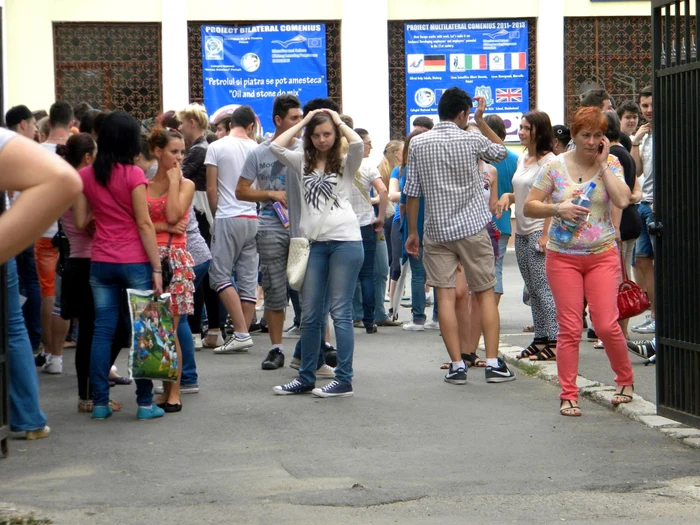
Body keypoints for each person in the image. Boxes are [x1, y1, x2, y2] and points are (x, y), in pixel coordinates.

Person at [524, 106, 634, 417]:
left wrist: (603, 165)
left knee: (605, 324)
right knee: (570, 327)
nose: (591, 141)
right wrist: (559, 209)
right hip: (563, 257)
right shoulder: (555, 167)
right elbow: (530, 206)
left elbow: (623, 199)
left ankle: (624, 380)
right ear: (573, 136)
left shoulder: (610, 162)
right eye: (585, 135)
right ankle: (568, 394)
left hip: (601, 255)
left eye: (598, 135)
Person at [404, 87, 516, 385]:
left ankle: (456, 365)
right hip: (472, 228)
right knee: (485, 293)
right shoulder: (471, 137)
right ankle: (493, 364)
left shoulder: (418, 143)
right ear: (463, 113)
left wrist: (413, 232)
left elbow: (411, 192)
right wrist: (481, 121)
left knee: (444, 295)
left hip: (436, 230)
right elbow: (502, 152)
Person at [73, 111, 165, 421]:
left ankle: (99, 402)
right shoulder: (134, 175)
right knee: (143, 331)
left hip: (100, 260)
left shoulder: (86, 175)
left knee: (102, 332)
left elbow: (82, 220)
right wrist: (156, 268)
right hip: (134, 261)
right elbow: (144, 223)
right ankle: (143, 403)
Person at [270, 108, 364, 398]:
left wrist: (336, 120)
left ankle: (344, 379)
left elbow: (358, 144)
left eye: (327, 134)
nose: (322, 139)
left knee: (340, 313)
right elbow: (276, 146)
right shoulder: (301, 162)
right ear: (309, 138)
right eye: (316, 135)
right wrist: (305, 120)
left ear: (335, 136)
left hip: (346, 242)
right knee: (310, 316)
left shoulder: (346, 163)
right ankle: (306, 377)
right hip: (314, 245)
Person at [0, 126, 83, 440]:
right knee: (18, 320)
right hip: (40, 241)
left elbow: (61, 182)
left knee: (41, 299)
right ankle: (30, 416)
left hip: (42, 242)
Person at [57, 133, 131, 412]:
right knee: (93, 332)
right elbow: (88, 224)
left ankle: (91, 389)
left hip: (89, 261)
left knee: (105, 330)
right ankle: (88, 394)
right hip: (87, 262)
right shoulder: (77, 186)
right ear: (88, 158)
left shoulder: (75, 183)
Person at [236, 94, 303, 370]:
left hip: (304, 228)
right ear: (278, 120)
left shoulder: (306, 149)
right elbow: (241, 190)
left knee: (310, 290)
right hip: (270, 226)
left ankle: (319, 348)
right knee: (275, 290)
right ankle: (276, 349)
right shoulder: (258, 152)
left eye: (301, 118)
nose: (300, 124)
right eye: (294, 119)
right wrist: (270, 194)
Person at [496, 111, 558, 361]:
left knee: (544, 289)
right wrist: (507, 197)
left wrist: (545, 235)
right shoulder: (524, 159)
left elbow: (553, 199)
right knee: (532, 289)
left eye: (525, 128)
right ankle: (540, 338)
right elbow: (520, 192)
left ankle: (555, 340)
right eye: (520, 127)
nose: (520, 132)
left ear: (539, 131)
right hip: (521, 231)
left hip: (537, 232)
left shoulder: (550, 161)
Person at [146, 128, 196, 412]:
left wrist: (175, 182)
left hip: (173, 260)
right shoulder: (144, 186)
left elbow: (177, 215)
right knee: (156, 329)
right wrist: (163, 226)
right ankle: (165, 389)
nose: (179, 157)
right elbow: (137, 224)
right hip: (150, 258)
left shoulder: (185, 183)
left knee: (171, 329)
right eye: (173, 151)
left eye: (182, 152)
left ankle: (174, 391)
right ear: (158, 151)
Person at [205, 105, 259, 353]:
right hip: (252, 216)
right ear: (250, 126)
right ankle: (242, 333)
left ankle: (240, 332)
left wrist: (217, 215)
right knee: (248, 278)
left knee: (219, 276)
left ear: (229, 124)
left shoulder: (216, 147)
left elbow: (212, 189)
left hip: (228, 215)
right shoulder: (257, 149)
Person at [34, 101, 74, 374]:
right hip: (71, 232)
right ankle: (57, 354)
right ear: (71, 123)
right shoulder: (74, 151)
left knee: (48, 292)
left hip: (44, 230)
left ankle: (51, 354)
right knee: (65, 295)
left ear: (48, 124)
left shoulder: (35, 152)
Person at [178, 103, 221, 349]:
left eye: (182, 123)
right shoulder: (202, 147)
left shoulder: (198, 150)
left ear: (192, 124)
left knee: (197, 272)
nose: (180, 128)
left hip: (199, 214)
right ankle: (212, 328)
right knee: (205, 274)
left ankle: (197, 329)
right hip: (202, 213)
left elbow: (176, 178)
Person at [5, 105, 42, 350]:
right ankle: (34, 336)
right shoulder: (21, 150)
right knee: (30, 282)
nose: (36, 130)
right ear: (23, 124)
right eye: (34, 125)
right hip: (23, 228)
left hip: (11, 227)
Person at [605, 112, 642, 342]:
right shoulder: (625, 154)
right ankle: (620, 330)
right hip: (631, 219)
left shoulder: (611, 156)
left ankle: (618, 330)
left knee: (617, 279)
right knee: (623, 275)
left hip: (619, 222)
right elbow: (635, 189)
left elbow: (617, 195)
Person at [350, 128, 388, 334]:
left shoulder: (339, 165)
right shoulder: (367, 167)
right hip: (366, 225)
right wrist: (380, 217)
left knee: (347, 274)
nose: (371, 146)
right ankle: (369, 320)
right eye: (368, 143)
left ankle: (348, 316)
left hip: (344, 226)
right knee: (367, 274)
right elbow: (383, 191)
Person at [630, 86, 656, 335]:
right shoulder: (645, 136)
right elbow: (636, 171)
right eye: (644, 106)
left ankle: (669, 316)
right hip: (644, 205)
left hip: (660, 206)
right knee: (641, 259)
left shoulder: (672, 129)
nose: (648, 110)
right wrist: (636, 141)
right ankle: (654, 315)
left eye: (651, 104)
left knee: (663, 263)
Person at [484, 114, 517, 304]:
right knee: (496, 268)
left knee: (480, 270)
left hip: (479, 222)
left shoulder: (481, 157)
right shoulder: (513, 159)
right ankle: (492, 312)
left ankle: (481, 313)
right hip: (503, 221)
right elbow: (517, 191)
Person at [374, 140, 404, 327]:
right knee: (392, 261)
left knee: (391, 260)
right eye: (402, 150)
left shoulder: (386, 169)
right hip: (388, 217)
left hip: (384, 216)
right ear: (395, 153)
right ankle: (389, 303)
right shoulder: (391, 171)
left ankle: (389, 302)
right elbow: (386, 195)